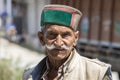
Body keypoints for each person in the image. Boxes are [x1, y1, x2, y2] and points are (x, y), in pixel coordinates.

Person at [22, 5, 112, 80]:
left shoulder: (97, 74)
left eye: (65, 35)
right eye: (52, 35)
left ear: (75, 38)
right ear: (41, 39)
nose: (58, 43)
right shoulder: (30, 76)